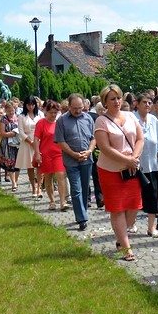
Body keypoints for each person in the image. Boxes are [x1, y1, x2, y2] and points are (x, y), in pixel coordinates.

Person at [94, 84, 144, 262]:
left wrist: (134, 158)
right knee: (117, 209)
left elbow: (140, 139)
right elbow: (105, 148)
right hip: (110, 171)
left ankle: (120, 238)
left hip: (131, 169)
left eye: (118, 98)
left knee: (134, 206)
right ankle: (126, 247)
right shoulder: (101, 121)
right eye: (112, 99)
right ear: (105, 102)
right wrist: (126, 160)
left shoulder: (130, 116)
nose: (116, 101)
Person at [56, 93, 96, 231]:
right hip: (71, 161)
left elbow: (93, 138)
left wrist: (89, 151)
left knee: (84, 189)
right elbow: (60, 141)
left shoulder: (88, 118)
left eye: (80, 108)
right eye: (75, 108)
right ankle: (82, 218)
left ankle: (82, 211)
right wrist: (73, 154)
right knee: (76, 189)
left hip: (86, 160)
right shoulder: (62, 120)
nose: (78, 111)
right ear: (69, 106)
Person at [134, 93, 158, 237]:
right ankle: (132, 223)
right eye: (144, 102)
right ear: (137, 104)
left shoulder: (153, 119)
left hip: (152, 164)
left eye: (149, 102)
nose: (147, 105)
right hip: (136, 165)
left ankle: (151, 227)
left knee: (153, 196)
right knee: (136, 196)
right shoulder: (132, 119)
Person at [34, 100, 65, 210]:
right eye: (51, 112)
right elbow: (36, 139)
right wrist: (37, 153)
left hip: (58, 153)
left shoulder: (59, 123)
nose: (53, 115)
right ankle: (52, 201)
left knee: (60, 175)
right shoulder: (41, 123)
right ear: (45, 112)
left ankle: (62, 201)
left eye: (55, 113)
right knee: (48, 177)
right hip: (46, 154)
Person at [16, 96, 43, 199]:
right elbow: (21, 131)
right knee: (30, 166)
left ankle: (39, 187)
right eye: (28, 105)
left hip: (39, 141)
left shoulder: (40, 114)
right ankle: (33, 187)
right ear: (25, 105)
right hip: (27, 142)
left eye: (32, 104)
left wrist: (38, 142)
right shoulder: (22, 116)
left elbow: (43, 127)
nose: (30, 107)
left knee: (40, 165)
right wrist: (31, 142)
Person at [0, 101, 21, 191]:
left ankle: (16, 181)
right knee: (10, 163)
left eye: (12, 110)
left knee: (18, 163)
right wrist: (12, 133)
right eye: (9, 111)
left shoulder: (18, 117)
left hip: (17, 143)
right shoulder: (3, 119)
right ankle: (13, 183)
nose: (11, 112)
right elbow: (2, 133)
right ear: (6, 110)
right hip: (7, 143)